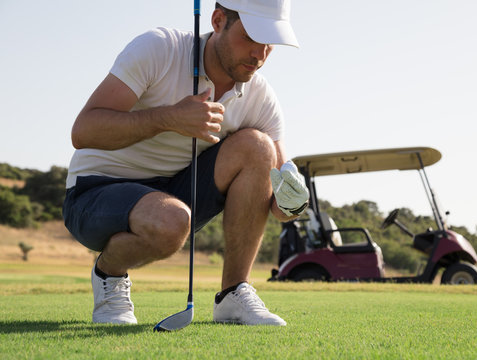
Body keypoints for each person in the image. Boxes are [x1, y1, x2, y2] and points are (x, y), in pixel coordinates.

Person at [63, 0, 309, 326]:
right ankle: (109, 274)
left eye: (270, 43)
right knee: (171, 221)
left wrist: (292, 201)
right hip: (95, 192)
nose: (260, 54)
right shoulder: (160, 48)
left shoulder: (260, 98)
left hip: (176, 193)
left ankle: (233, 294)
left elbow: (277, 205)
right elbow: (83, 131)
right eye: (251, 38)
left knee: (258, 147)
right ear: (219, 20)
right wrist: (168, 118)